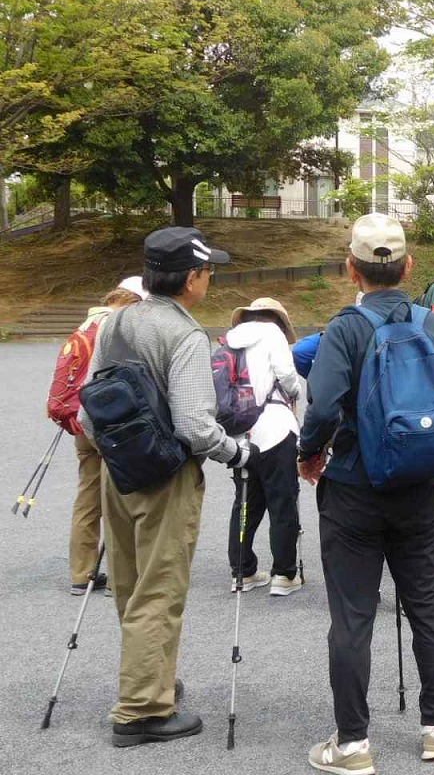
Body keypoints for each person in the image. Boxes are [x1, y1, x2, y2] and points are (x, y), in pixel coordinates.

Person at [297, 214, 434, 770]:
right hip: (420, 488)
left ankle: (352, 744)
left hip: (353, 487)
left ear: (351, 266)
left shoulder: (344, 328)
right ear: (410, 267)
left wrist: (311, 453)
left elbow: (323, 406)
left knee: (352, 614)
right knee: (426, 604)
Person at [82, 227, 249, 747]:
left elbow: (89, 405)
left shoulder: (117, 321)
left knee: (132, 586)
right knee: (161, 589)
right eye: (207, 270)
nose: (209, 278)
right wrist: (237, 451)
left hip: (119, 471)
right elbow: (196, 427)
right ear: (191, 278)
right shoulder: (185, 336)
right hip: (165, 477)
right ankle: (141, 710)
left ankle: (151, 680)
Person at [49, 277, 145, 596]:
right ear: (134, 302)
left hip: (81, 422)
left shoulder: (87, 324)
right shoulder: (119, 328)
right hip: (113, 422)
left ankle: (82, 572)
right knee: (121, 496)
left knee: (88, 497)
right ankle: (121, 575)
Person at [224, 297, 306, 596]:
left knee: (245, 501)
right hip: (274, 429)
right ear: (277, 319)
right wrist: (295, 390)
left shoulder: (230, 340)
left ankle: (242, 572)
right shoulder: (273, 335)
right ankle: (284, 574)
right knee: (282, 501)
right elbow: (288, 377)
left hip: (239, 435)